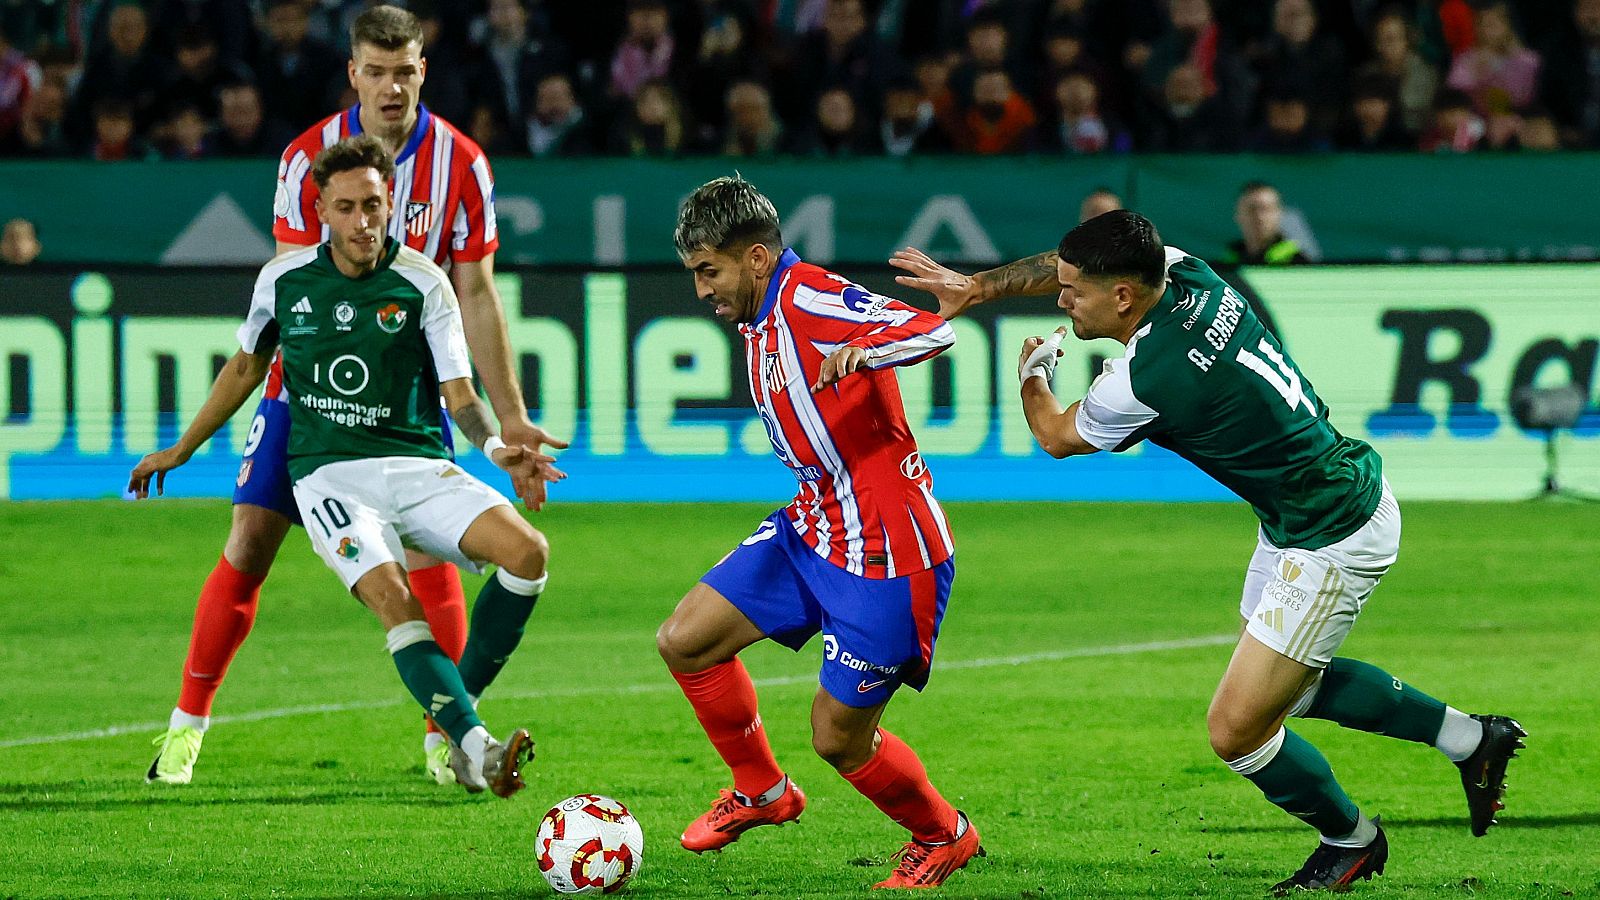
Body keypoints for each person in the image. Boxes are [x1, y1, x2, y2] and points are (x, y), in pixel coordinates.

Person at [888, 211, 1525, 893]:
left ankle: (1353, 839)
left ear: (1124, 296)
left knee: (1237, 729)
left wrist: (1033, 374)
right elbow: (1063, 263)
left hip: (1332, 531)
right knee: (1294, 688)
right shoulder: (1186, 271)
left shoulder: (1148, 378)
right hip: (1306, 508)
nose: (1060, 297)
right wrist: (978, 288)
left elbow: (1056, 437)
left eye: (1074, 290)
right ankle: (1470, 740)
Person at [142, 4, 562, 787]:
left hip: (411, 396)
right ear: (354, 74)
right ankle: (185, 727)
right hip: (302, 400)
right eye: (377, 71)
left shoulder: (463, 163)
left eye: (405, 71)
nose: (392, 86)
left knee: (429, 559)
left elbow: (477, 293)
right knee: (247, 546)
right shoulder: (307, 158)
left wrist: (508, 420)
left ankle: (450, 734)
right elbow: (295, 300)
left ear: (423, 71)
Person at [657, 176, 983, 890]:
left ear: (756, 259)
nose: (701, 291)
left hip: (889, 552)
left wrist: (871, 352)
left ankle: (943, 834)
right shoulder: (762, 312)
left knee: (838, 738)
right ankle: (762, 792)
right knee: (685, 641)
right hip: (813, 526)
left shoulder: (809, 298)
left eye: (708, 271)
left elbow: (936, 329)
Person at [1225, 181, 1312, 265]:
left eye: (1266, 209)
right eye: (1252, 209)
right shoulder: (1226, 262)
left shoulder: (1299, 263)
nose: (1259, 217)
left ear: (1279, 214)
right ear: (1237, 215)